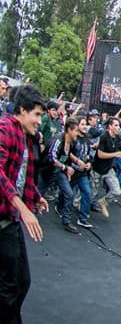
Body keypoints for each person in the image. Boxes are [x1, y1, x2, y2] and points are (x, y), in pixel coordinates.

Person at [0, 84, 49, 323]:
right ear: (21, 110)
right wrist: (24, 209)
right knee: (9, 286)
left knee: (22, 282)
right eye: (37, 114)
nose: (39, 121)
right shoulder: (5, 129)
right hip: (3, 220)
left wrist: (36, 196)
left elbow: (20, 175)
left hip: (11, 217)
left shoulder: (25, 137)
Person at [92, 117, 121, 218]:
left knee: (117, 191)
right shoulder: (104, 136)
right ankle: (77, 205)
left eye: (119, 125)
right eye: (116, 125)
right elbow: (100, 154)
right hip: (97, 168)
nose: (118, 127)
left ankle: (103, 202)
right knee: (92, 193)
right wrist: (115, 154)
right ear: (110, 126)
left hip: (108, 168)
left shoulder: (118, 137)